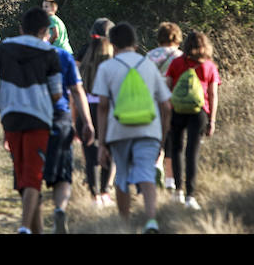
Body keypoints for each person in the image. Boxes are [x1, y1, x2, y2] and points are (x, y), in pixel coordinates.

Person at [0, 7, 63, 234]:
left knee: (23, 174)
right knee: (33, 175)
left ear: (21, 27)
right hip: (38, 117)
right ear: (45, 30)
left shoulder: (5, 47)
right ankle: (25, 227)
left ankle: (35, 230)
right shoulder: (49, 53)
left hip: (11, 116)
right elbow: (56, 94)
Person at [93, 22, 172, 233]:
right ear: (135, 42)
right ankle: (151, 220)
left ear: (112, 44)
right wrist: (162, 137)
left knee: (122, 176)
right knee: (146, 173)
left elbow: (102, 107)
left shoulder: (107, 67)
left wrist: (101, 143)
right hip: (149, 130)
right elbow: (166, 105)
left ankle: (125, 224)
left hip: (119, 130)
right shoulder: (148, 65)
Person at [38, 7, 97, 234]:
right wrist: (85, 122)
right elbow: (76, 91)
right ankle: (60, 208)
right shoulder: (64, 56)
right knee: (63, 173)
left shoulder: (25, 56)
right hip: (60, 116)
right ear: (49, 32)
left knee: (36, 172)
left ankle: (31, 220)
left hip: (34, 118)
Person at [164, 30, 220, 211]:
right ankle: (190, 196)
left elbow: (168, 88)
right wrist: (212, 120)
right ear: (206, 46)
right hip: (199, 112)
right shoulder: (209, 66)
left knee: (176, 149)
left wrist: (167, 113)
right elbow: (212, 95)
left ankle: (178, 191)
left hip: (177, 111)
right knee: (192, 152)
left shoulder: (176, 63)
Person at [74, 18, 116, 207]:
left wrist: (74, 115)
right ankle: (106, 191)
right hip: (109, 109)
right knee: (110, 151)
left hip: (86, 108)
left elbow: (74, 87)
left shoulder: (84, 51)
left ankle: (94, 195)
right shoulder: (114, 55)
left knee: (90, 155)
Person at [145, 22, 184, 192]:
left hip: (153, 102)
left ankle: (155, 166)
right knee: (172, 141)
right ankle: (170, 180)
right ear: (176, 37)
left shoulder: (150, 55)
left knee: (156, 138)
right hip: (175, 102)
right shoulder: (180, 56)